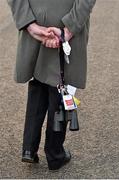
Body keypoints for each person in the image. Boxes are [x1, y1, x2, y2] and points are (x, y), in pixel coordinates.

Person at [7, 0, 96, 170]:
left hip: (34, 17)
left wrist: (30, 25)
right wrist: (68, 29)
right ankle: (55, 154)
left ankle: (28, 149)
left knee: (39, 81)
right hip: (68, 18)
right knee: (60, 84)